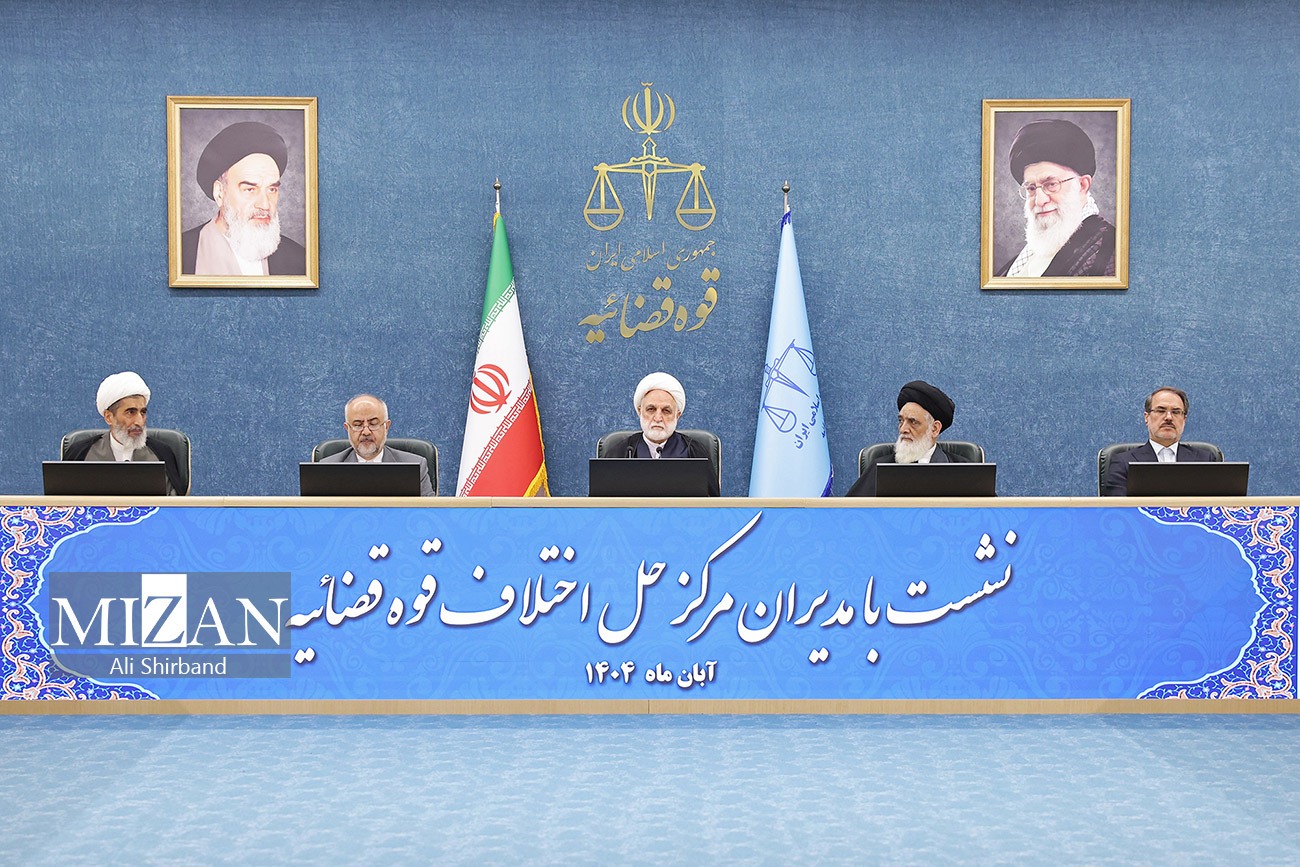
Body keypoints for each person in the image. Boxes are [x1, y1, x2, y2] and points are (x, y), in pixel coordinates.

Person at [180, 121, 306, 276]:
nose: (265, 205)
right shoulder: (180, 254)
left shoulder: (299, 260)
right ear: (220, 193)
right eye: (250, 189)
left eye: (272, 189)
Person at [996, 119, 1117, 278]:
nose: (1039, 201)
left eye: (1051, 184)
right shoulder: (1022, 259)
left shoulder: (1111, 251)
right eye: (1031, 188)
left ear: (1082, 185)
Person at [599, 372, 720, 497]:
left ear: (677, 415)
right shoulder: (620, 452)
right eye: (651, 409)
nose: (658, 418)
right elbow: (601, 504)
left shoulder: (694, 452)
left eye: (666, 411)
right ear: (640, 411)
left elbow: (712, 504)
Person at [63, 372, 184, 495]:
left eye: (143, 412)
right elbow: (63, 502)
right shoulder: (81, 454)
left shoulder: (161, 454)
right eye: (131, 412)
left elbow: (174, 503)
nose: (139, 421)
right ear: (109, 417)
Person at [846, 380, 973, 497]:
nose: (903, 429)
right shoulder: (879, 469)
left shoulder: (964, 471)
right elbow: (851, 511)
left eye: (913, 422)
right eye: (901, 421)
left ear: (934, 429)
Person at [1101, 386, 1215, 496]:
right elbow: (1118, 506)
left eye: (1176, 412)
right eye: (1161, 411)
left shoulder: (1205, 460)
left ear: (1184, 419)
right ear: (1146, 417)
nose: (1169, 417)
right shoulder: (1123, 463)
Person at [319, 394, 435, 497]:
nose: (366, 432)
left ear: (386, 427)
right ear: (347, 429)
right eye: (358, 425)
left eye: (373, 424)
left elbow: (429, 511)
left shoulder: (415, 466)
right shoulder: (326, 469)